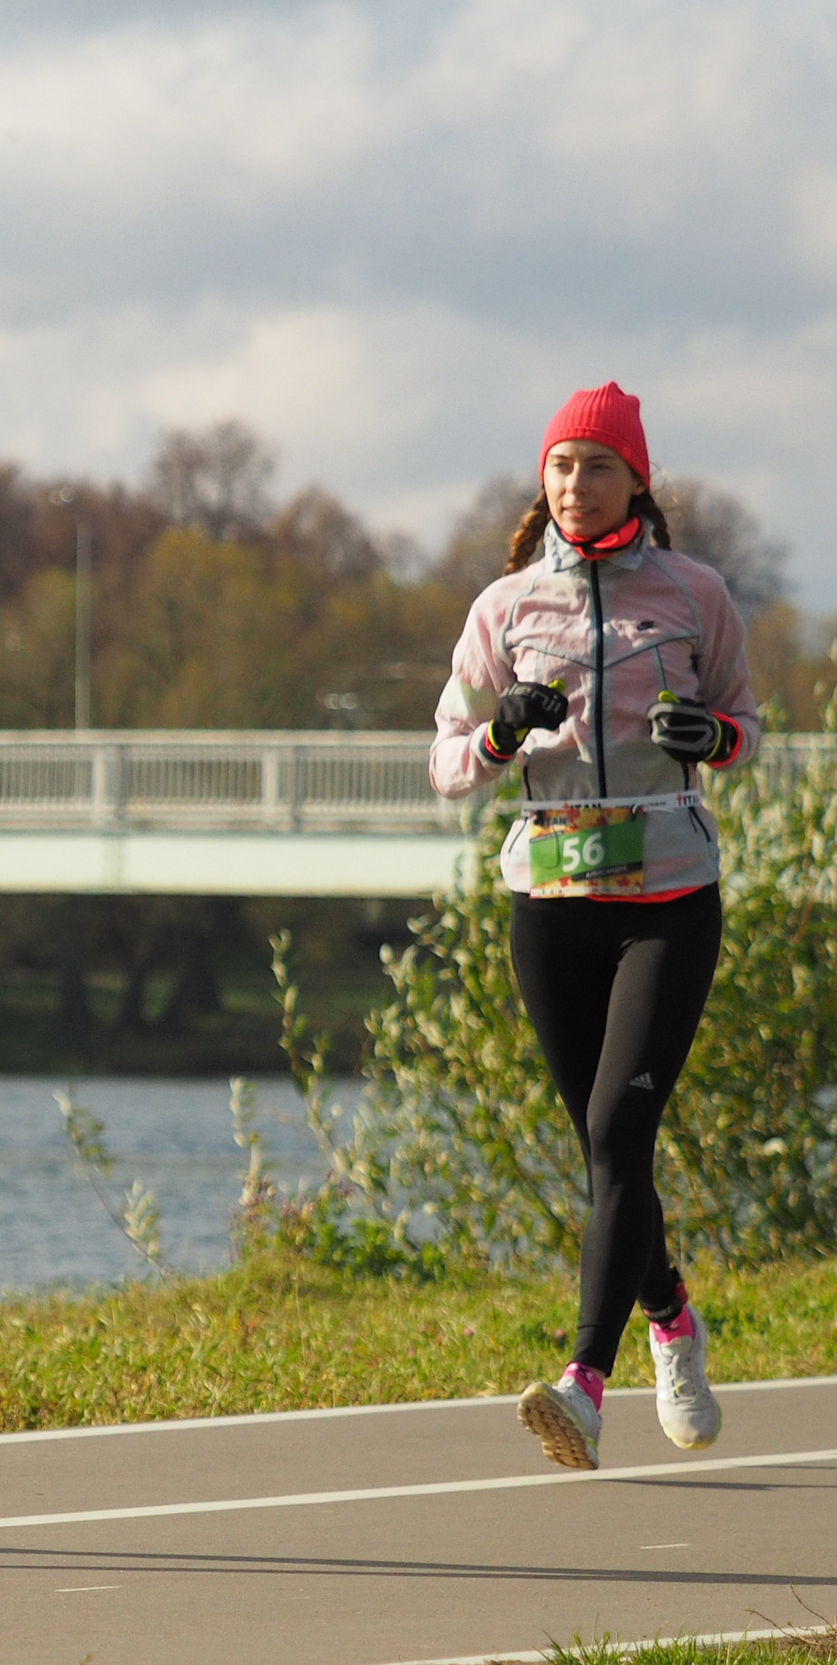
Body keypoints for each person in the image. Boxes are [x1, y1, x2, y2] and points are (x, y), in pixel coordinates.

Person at [429, 382, 755, 1473]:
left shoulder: (694, 594)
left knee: (621, 1136)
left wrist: (709, 735)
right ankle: (669, 1311)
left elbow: (748, 730)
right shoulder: (504, 606)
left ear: (636, 480)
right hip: (552, 903)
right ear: (544, 481)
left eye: (597, 466)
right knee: (602, 1149)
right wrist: (497, 738)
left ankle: (582, 1380)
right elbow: (440, 763)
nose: (576, 484)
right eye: (561, 466)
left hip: (667, 898)